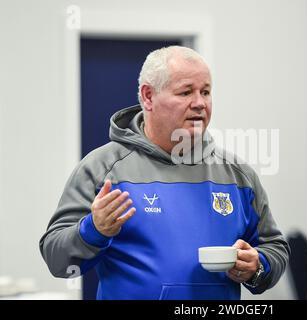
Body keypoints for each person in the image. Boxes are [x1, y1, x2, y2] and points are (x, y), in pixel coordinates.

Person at [39, 46, 289, 300]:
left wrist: (258, 266)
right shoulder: (102, 168)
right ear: (148, 97)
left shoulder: (237, 176)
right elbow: (57, 259)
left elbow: (275, 247)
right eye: (186, 92)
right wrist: (94, 230)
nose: (200, 103)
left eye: (206, 92)